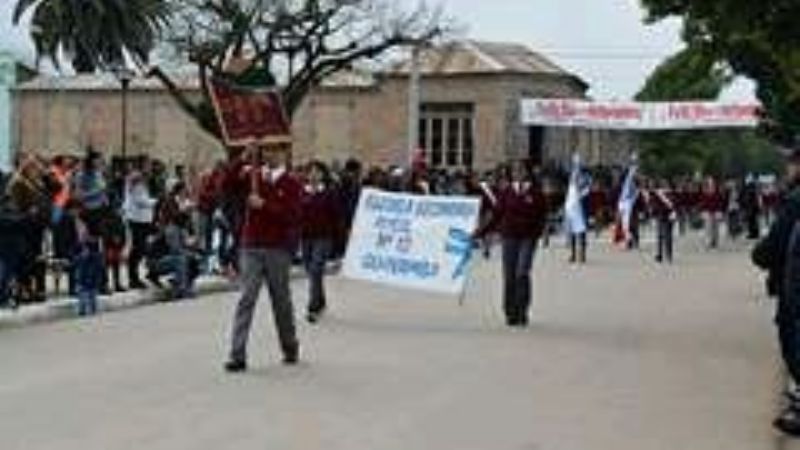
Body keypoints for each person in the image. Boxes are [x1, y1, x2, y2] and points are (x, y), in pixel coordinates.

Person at [225, 144, 303, 372]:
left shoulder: (292, 183)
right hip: (251, 246)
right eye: (266, 149)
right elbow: (227, 184)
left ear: (284, 153)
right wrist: (242, 158)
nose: (269, 154)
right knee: (246, 298)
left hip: (277, 249)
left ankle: (290, 346)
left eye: (274, 150)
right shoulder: (251, 175)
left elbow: (293, 215)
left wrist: (265, 205)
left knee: (281, 302)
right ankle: (237, 354)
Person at [753, 148, 800, 436]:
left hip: (795, 284)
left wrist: (760, 254)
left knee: (793, 342)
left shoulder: (795, 201)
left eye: (792, 164)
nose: (788, 169)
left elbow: (773, 245)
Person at [476, 161, 547, 327]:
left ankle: (522, 311)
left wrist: (537, 233)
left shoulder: (536, 193)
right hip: (509, 237)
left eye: (521, 170)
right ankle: (510, 312)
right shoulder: (507, 192)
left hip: (528, 238)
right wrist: (480, 231)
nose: (518, 173)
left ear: (527, 172)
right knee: (509, 275)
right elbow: (496, 213)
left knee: (522, 272)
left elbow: (542, 215)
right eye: (515, 170)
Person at [300, 161, 343, 323]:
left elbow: (336, 217)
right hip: (305, 238)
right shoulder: (301, 192)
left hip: (323, 238)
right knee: (311, 271)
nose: (313, 175)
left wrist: (339, 244)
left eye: (317, 172)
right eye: (310, 171)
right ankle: (321, 301)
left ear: (322, 175)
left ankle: (313, 308)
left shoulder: (329, 193)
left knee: (316, 269)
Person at [124, 166, 157, 289]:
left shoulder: (142, 185)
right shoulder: (135, 184)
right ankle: (133, 278)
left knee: (143, 249)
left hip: (144, 220)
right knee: (138, 249)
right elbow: (140, 201)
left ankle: (139, 276)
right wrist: (155, 202)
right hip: (136, 220)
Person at [650, 179, 677, 264]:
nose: (664, 185)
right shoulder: (658, 193)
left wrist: (674, 212)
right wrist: (654, 213)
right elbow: (654, 204)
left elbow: (676, 204)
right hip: (660, 216)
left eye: (666, 183)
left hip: (669, 217)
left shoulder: (672, 193)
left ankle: (668, 255)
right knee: (659, 237)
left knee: (668, 237)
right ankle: (659, 255)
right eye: (663, 183)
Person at [700, 177, 725, 249]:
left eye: (712, 182)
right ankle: (708, 242)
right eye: (709, 182)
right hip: (707, 212)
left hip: (716, 211)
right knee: (708, 228)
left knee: (716, 228)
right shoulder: (705, 192)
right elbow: (703, 202)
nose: (711, 184)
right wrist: (703, 210)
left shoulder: (717, 192)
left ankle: (715, 241)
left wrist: (720, 210)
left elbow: (720, 201)